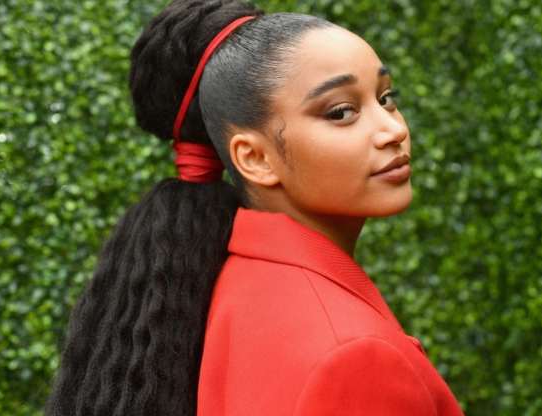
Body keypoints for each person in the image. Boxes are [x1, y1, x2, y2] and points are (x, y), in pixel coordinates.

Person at [44, 0, 464, 415]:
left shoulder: (218, 280)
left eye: (386, 98)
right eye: (341, 112)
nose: (393, 129)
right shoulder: (354, 357)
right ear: (255, 159)